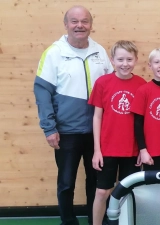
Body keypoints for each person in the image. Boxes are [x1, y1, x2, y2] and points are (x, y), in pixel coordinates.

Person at [33, 5, 113, 225]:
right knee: (66, 182)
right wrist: (49, 128)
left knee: (95, 181)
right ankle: (68, 221)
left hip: (97, 133)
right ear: (66, 24)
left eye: (85, 21)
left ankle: (95, 221)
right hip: (66, 132)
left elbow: (112, 88)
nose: (80, 26)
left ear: (91, 25)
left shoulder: (100, 51)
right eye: (75, 21)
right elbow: (42, 92)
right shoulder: (54, 53)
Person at [88, 40, 146, 225]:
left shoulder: (141, 84)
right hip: (108, 149)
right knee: (102, 191)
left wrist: (142, 149)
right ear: (112, 60)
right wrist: (97, 150)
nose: (125, 63)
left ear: (136, 60)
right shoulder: (103, 83)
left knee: (127, 193)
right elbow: (97, 117)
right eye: (120, 59)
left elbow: (144, 121)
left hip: (132, 149)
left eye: (129, 59)